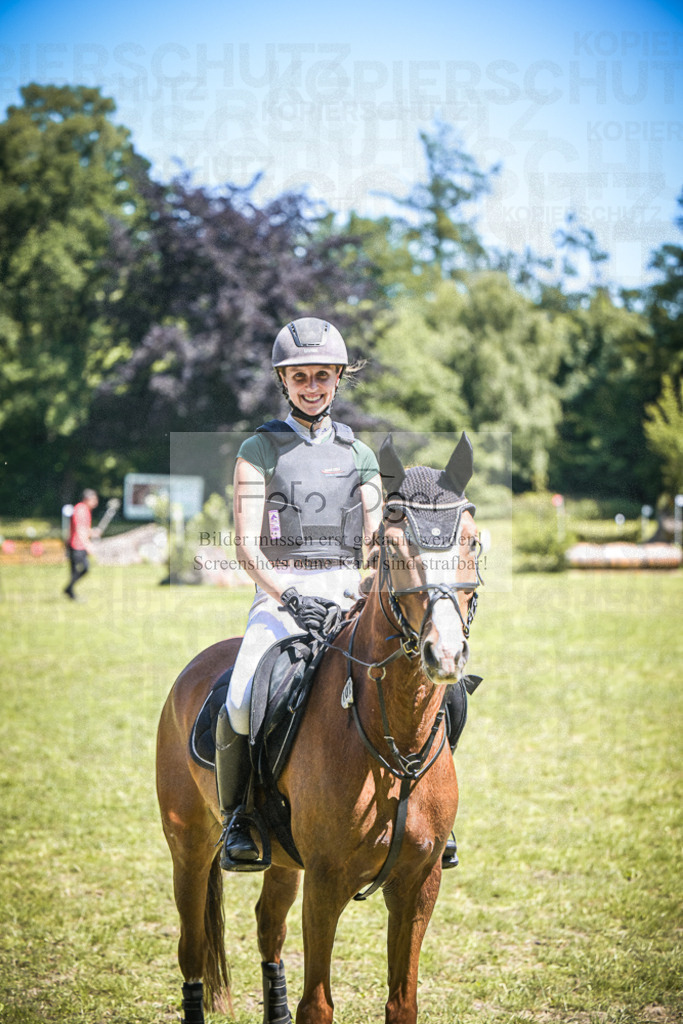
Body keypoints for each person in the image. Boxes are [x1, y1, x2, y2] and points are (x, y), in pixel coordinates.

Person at [216, 317, 383, 869]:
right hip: (281, 594)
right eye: (300, 377)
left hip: (346, 594)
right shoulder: (258, 448)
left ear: (338, 379)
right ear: (283, 382)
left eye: (322, 377)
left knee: (426, 682)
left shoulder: (360, 454)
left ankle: (428, 808)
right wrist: (287, 595)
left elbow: (375, 538)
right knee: (241, 696)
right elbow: (246, 545)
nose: (312, 387)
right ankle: (238, 816)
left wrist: (368, 584)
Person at [64, 489, 100, 600]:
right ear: (87, 499)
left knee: (77, 570)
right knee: (83, 568)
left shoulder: (85, 510)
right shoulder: (80, 510)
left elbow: (84, 528)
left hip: (79, 545)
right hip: (76, 545)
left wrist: (92, 532)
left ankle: (69, 590)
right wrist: (87, 544)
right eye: (94, 499)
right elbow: (79, 529)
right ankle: (69, 589)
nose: (96, 501)